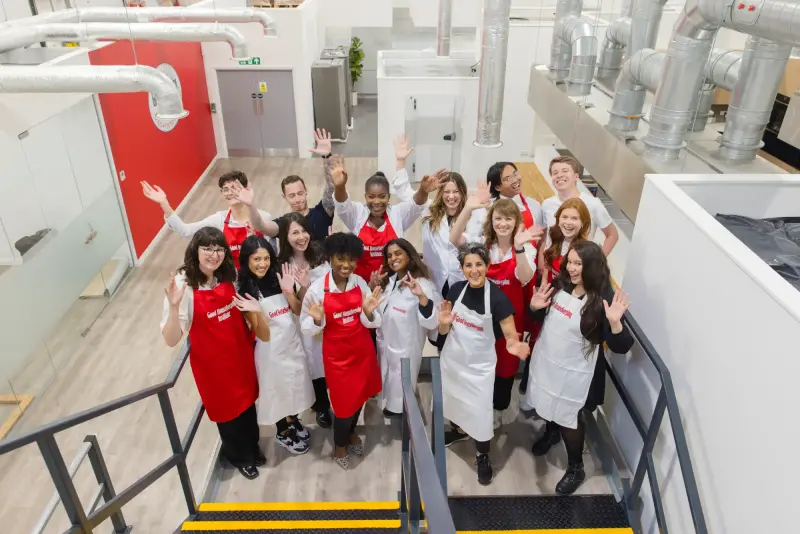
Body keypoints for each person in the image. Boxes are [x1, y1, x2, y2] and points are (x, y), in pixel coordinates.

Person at [525, 241, 634, 495]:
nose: (571, 268)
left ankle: (576, 467)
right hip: (549, 362)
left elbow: (622, 346)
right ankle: (551, 433)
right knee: (548, 402)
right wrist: (534, 307)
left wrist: (616, 324)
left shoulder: (604, 298)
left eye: (578, 264)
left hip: (576, 374)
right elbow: (540, 318)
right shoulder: (561, 284)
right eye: (570, 262)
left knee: (570, 417)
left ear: (593, 267)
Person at [160, 227, 267, 480]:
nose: (213, 254)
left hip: (240, 355)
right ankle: (240, 456)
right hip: (213, 365)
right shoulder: (184, 287)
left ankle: (252, 446)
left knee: (248, 405)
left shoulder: (227, 275)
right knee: (228, 414)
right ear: (195, 250)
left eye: (219, 248)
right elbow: (171, 338)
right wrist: (174, 308)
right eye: (207, 248)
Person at [437, 243, 531, 485]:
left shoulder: (498, 300)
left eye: (479, 264)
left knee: (480, 416)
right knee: (454, 402)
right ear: (462, 268)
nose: (474, 270)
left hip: (479, 370)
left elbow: (510, 336)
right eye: (468, 265)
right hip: (454, 362)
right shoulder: (456, 290)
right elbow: (444, 329)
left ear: (487, 267)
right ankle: (458, 431)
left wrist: (513, 346)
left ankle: (482, 455)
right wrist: (444, 323)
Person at [451, 194, 537, 428]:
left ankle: (499, 409)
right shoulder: (482, 244)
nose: (503, 224)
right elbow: (455, 238)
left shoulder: (526, 249)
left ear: (517, 222)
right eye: (498, 218)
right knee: (480, 363)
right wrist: (468, 208)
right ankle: (476, 407)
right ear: (491, 220)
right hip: (481, 318)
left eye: (508, 219)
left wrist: (518, 249)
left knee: (506, 366)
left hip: (510, 319)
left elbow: (525, 277)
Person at [300, 233, 383, 470]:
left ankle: (351, 432)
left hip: (362, 351)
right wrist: (316, 320)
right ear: (330, 258)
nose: (346, 265)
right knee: (344, 405)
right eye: (340, 259)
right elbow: (306, 327)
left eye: (351, 260)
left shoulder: (360, 283)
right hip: (338, 358)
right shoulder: (317, 290)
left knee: (360, 397)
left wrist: (368, 312)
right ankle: (339, 446)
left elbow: (374, 321)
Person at [237, 236, 315, 455]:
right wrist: (256, 310)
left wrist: (291, 291)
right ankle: (282, 432)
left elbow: (299, 311)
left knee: (294, 386)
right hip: (270, 352)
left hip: (291, 344)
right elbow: (262, 333)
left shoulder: (277, 279)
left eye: (266, 258)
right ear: (246, 261)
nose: (262, 264)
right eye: (256, 259)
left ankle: (292, 421)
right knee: (277, 391)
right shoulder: (245, 291)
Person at [520, 198, 592, 395]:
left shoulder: (587, 249)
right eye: (565, 217)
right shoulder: (554, 238)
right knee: (537, 344)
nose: (568, 222)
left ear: (583, 222)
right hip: (548, 302)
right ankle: (530, 389)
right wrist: (541, 295)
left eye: (574, 218)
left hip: (569, 308)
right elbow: (545, 273)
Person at [332, 154, 442, 282]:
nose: (376, 201)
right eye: (371, 196)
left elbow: (416, 204)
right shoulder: (358, 213)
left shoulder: (396, 213)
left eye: (382, 196)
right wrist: (339, 186)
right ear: (365, 196)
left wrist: (423, 190)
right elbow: (343, 204)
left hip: (393, 284)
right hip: (360, 283)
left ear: (389, 197)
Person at [141, 171, 272, 268]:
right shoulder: (218, 220)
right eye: (225, 189)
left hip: (260, 275)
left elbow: (273, 252)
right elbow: (185, 231)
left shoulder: (264, 217)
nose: (229, 192)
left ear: (245, 189)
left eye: (234, 187)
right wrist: (164, 203)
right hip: (232, 279)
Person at [277, 212, 333, 428]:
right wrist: (304, 287)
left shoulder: (320, 252)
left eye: (304, 231)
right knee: (314, 366)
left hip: (332, 318)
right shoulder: (283, 265)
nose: (301, 237)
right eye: (295, 232)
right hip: (306, 324)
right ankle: (322, 407)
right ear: (285, 236)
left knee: (332, 363)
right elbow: (298, 309)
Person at [375, 239, 439, 417]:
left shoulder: (423, 284)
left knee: (403, 389)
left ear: (408, 255)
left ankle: (404, 414)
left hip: (406, 348)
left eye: (397, 253)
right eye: (389, 255)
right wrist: (376, 287)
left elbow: (432, 321)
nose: (393, 258)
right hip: (387, 345)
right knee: (390, 385)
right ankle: (394, 407)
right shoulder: (391, 281)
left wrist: (422, 298)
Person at [242, 128, 339, 244]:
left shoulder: (322, 213)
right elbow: (261, 226)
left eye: (300, 193)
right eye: (292, 196)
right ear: (285, 197)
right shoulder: (284, 223)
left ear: (306, 191)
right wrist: (250, 205)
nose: (297, 199)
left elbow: (333, 186)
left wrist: (327, 156)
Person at [542, 156, 618, 256]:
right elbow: (544, 237)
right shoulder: (547, 204)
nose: (559, 175)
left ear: (576, 176)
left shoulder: (593, 203)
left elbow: (612, 235)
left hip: (580, 266)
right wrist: (541, 263)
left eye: (565, 171)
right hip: (552, 265)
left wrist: (598, 261)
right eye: (555, 173)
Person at [464, 162, 545, 242]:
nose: (515, 180)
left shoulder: (534, 205)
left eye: (515, 174)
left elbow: (541, 236)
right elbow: (471, 238)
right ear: (498, 187)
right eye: (508, 178)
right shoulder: (486, 206)